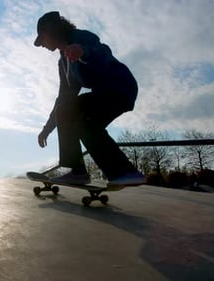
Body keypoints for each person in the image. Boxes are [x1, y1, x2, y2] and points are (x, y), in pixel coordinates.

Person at [34, 11, 146, 187]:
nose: (42, 45)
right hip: (103, 94)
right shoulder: (63, 63)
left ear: (52, 31)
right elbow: (63, 98)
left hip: (120, 88)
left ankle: (113, 172)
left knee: (77, 118)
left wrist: (83, 52)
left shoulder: (81, 37)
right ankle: (108, 172)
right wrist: (47, 129)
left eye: (42, 39)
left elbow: (99, 49)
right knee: (79, 120)